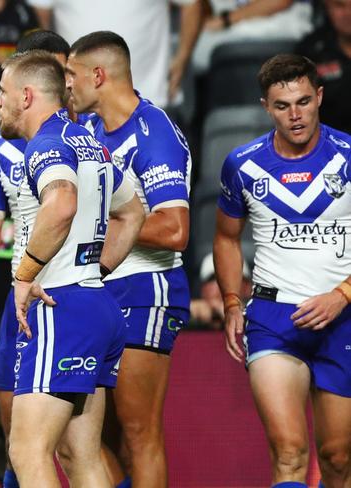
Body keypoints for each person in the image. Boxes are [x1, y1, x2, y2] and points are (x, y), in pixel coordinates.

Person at [0, 49, 144, 487]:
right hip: (95, 303)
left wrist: (24, 276)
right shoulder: (87, 141)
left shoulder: (46, 143)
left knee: (26, 451)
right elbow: (132, 212)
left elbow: (61, 203)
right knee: (80, 455)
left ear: (26, 96)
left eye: (3, 93)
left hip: (61, 307)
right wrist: (95, 270)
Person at [215, 53, 351, 488]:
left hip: (343, 317)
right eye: (281, 105)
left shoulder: (349, 156)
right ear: (265, 106)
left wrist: (342, 295)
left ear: (320, 96)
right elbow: (225, 237)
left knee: (337, 459)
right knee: (290, 454)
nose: (295, 115)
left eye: (304, 101)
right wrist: (232, 301)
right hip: (274, 319)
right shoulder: (242, 163)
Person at [65, 31, 193, 488]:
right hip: (99, 291)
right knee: (87, 431)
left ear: (98, 75)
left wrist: (103, 232)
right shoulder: (91, 132)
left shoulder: (153, 132)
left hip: (147, 289)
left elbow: (176, 229)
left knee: (140, 433)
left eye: (71, 75)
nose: (67, 86)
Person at [0, 29, 70, 488]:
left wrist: (101, 270)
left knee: (90, 443)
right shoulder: (1, 146)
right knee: (16, 441)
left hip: (71, 296)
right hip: (21, 306)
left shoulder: (87, 135)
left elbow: (124, 213)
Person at [26, 0, 203, 108]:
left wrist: (182, 59)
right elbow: (40, 17)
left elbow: (192, 4)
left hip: (150, 95)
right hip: (77, 102)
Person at [295, 0, 351, 135]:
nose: (348, 13)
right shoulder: (309, 51)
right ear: (326, 7)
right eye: (340, 6)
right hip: (328, 145)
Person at [189, 252, 251, 330]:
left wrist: (243, 313)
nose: (223, 285)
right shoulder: (187, 313)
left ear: (247, 288)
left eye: (233, 277)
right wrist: (185, 311)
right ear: (202, 289)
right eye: (215, 278)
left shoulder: (261, 317)